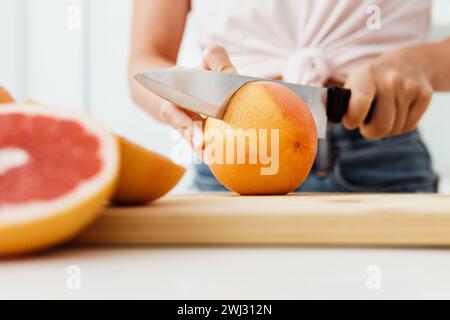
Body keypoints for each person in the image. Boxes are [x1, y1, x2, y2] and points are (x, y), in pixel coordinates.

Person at [129, 0, 450, 193]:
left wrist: (422, 64)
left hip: (381, 155)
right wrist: (181, 97)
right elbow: (145, 59)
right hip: (232, 160)